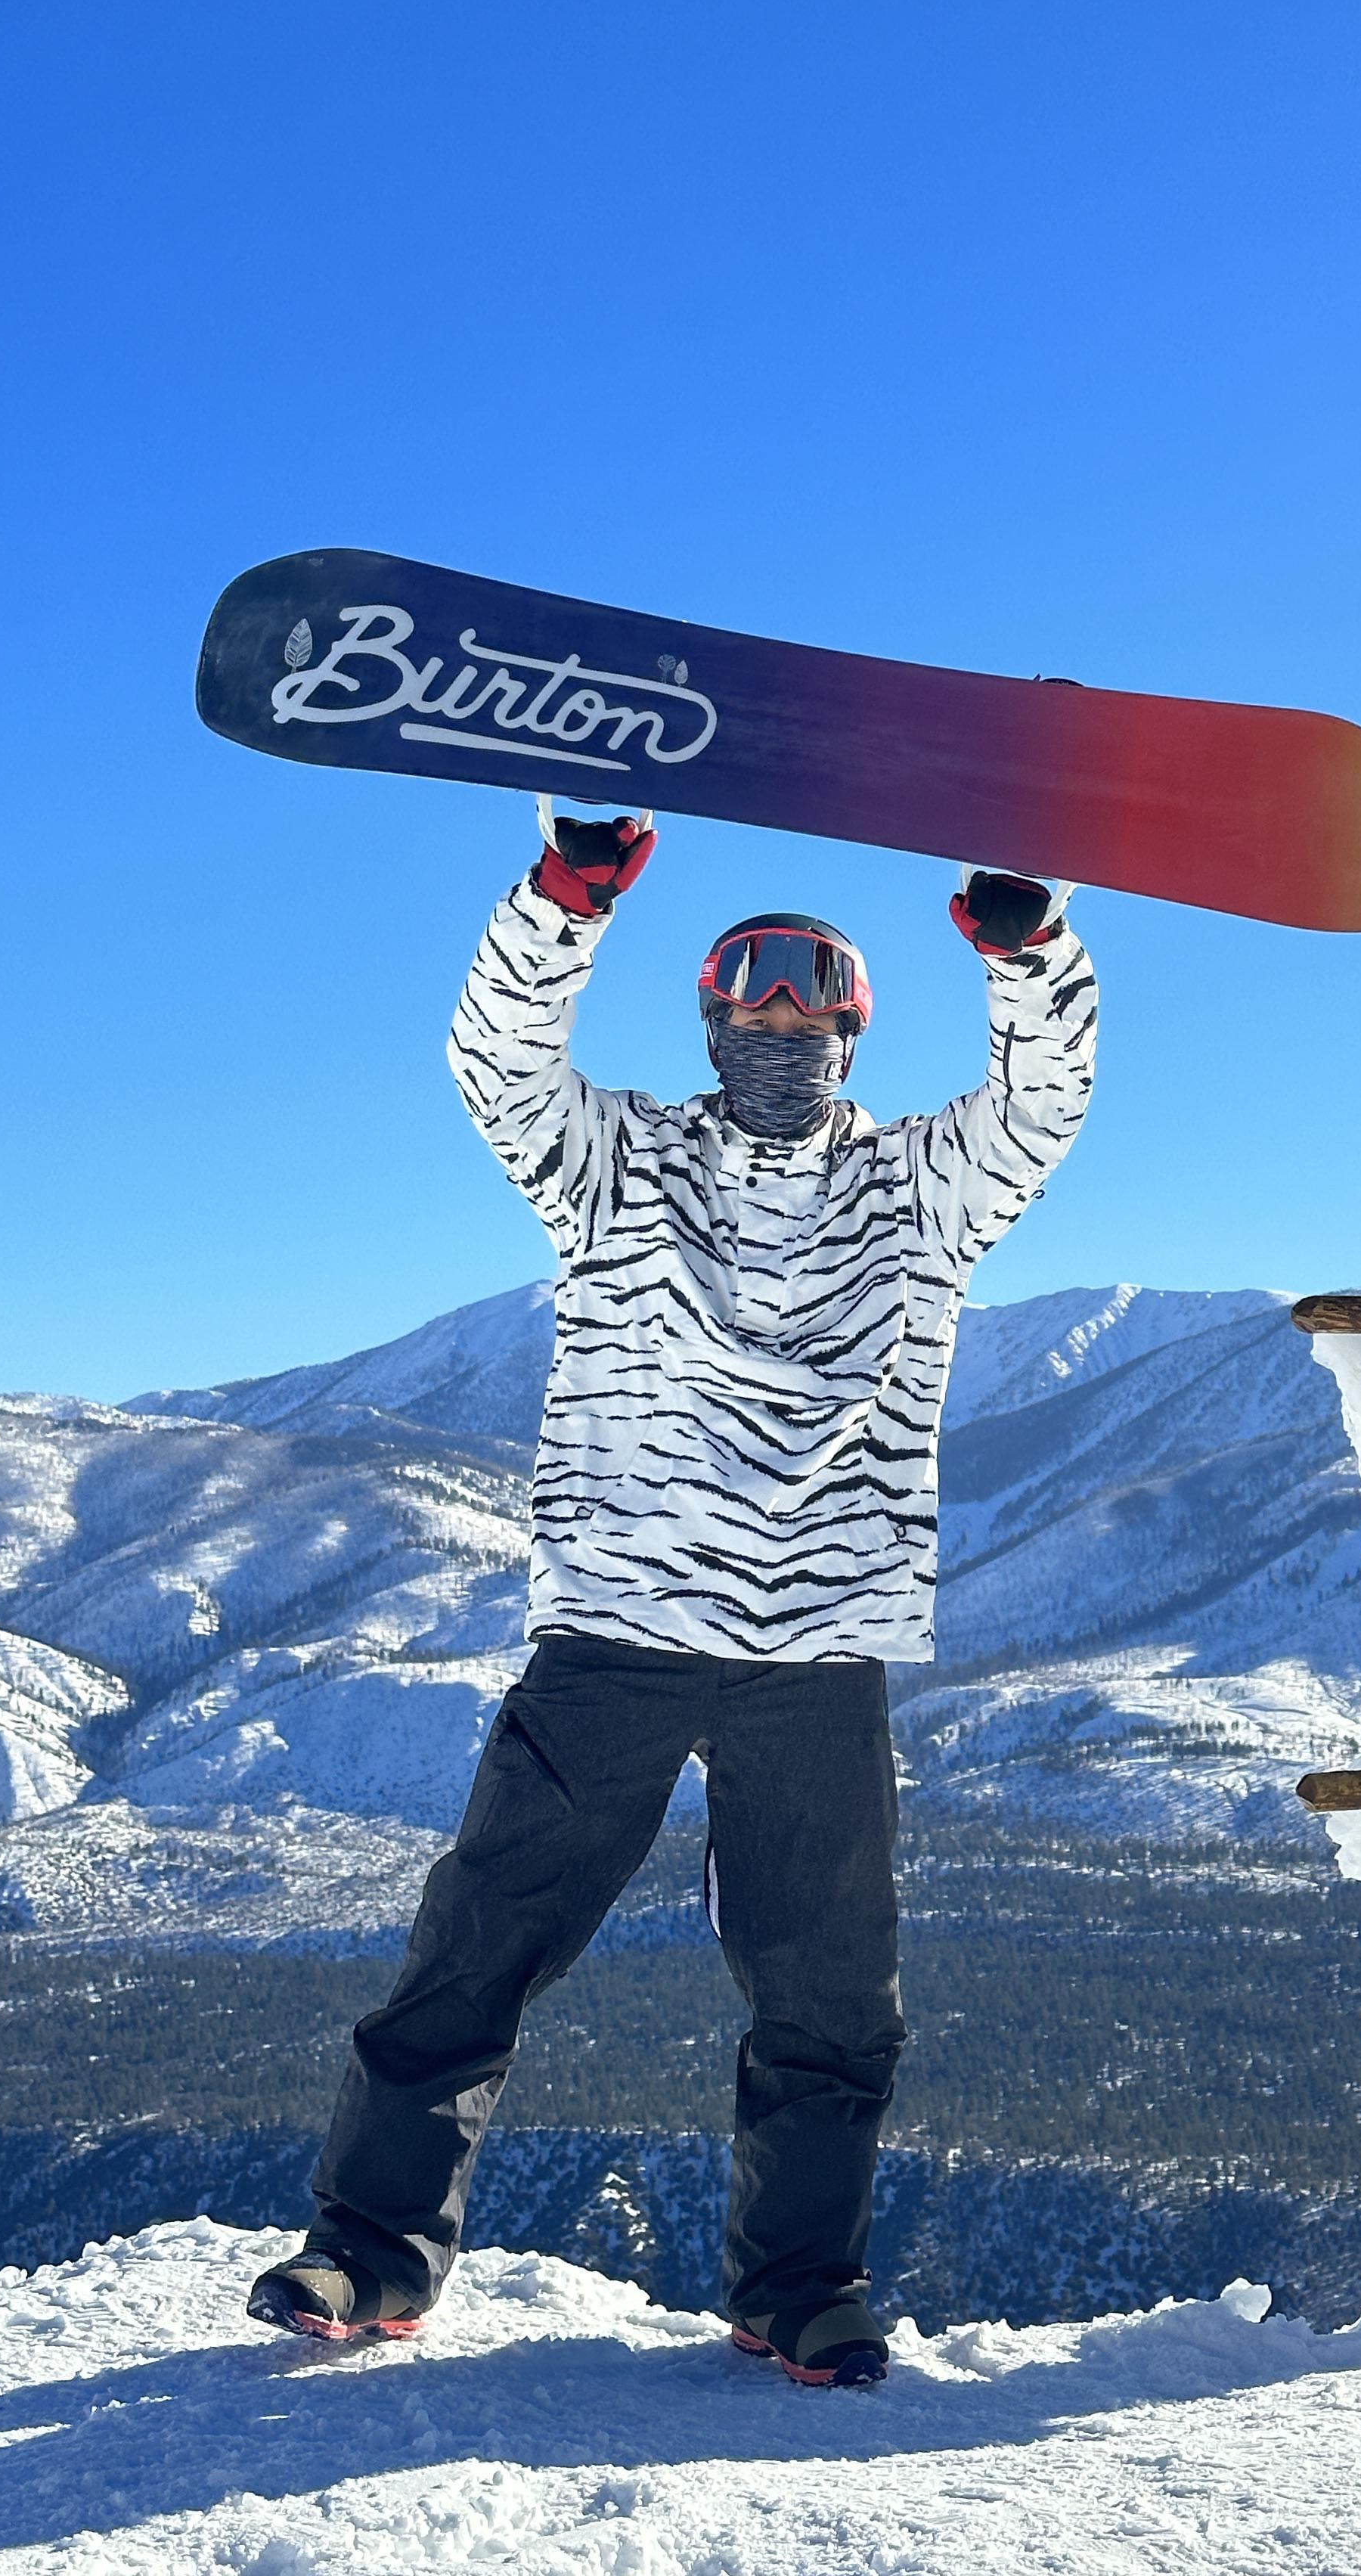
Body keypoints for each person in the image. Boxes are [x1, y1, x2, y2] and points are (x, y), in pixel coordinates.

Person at [248, 811, 1097, 2385]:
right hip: (614, 1633)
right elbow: (500, 1066)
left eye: (812, 990)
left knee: (829, 1995)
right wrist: (564, 897)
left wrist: (1030, 949)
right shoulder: (620, 1165)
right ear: (709, 1020)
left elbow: (1044, 1100)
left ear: (853, 1026)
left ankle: (798, 2290)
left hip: (817, 1649)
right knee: (476, 1946)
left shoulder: (924, 1191)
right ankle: (367, 2256)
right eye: (750, 988)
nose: (781, 1013)